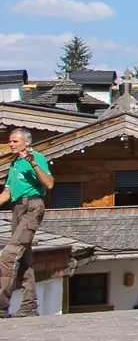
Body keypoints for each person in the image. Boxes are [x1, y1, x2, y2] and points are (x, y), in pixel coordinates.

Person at [0, 129, 52, 318]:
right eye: (10, 141)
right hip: (17, 209)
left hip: (32, 206)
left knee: (8, 255)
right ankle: (29, 306)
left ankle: (1, 306)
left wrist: (34, 164)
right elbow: (6, 193)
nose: (11, 144)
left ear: (26, 143)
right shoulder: (14, 164)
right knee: (23, 258)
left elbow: (50, 183)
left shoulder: (37, 158)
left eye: (14, 141)